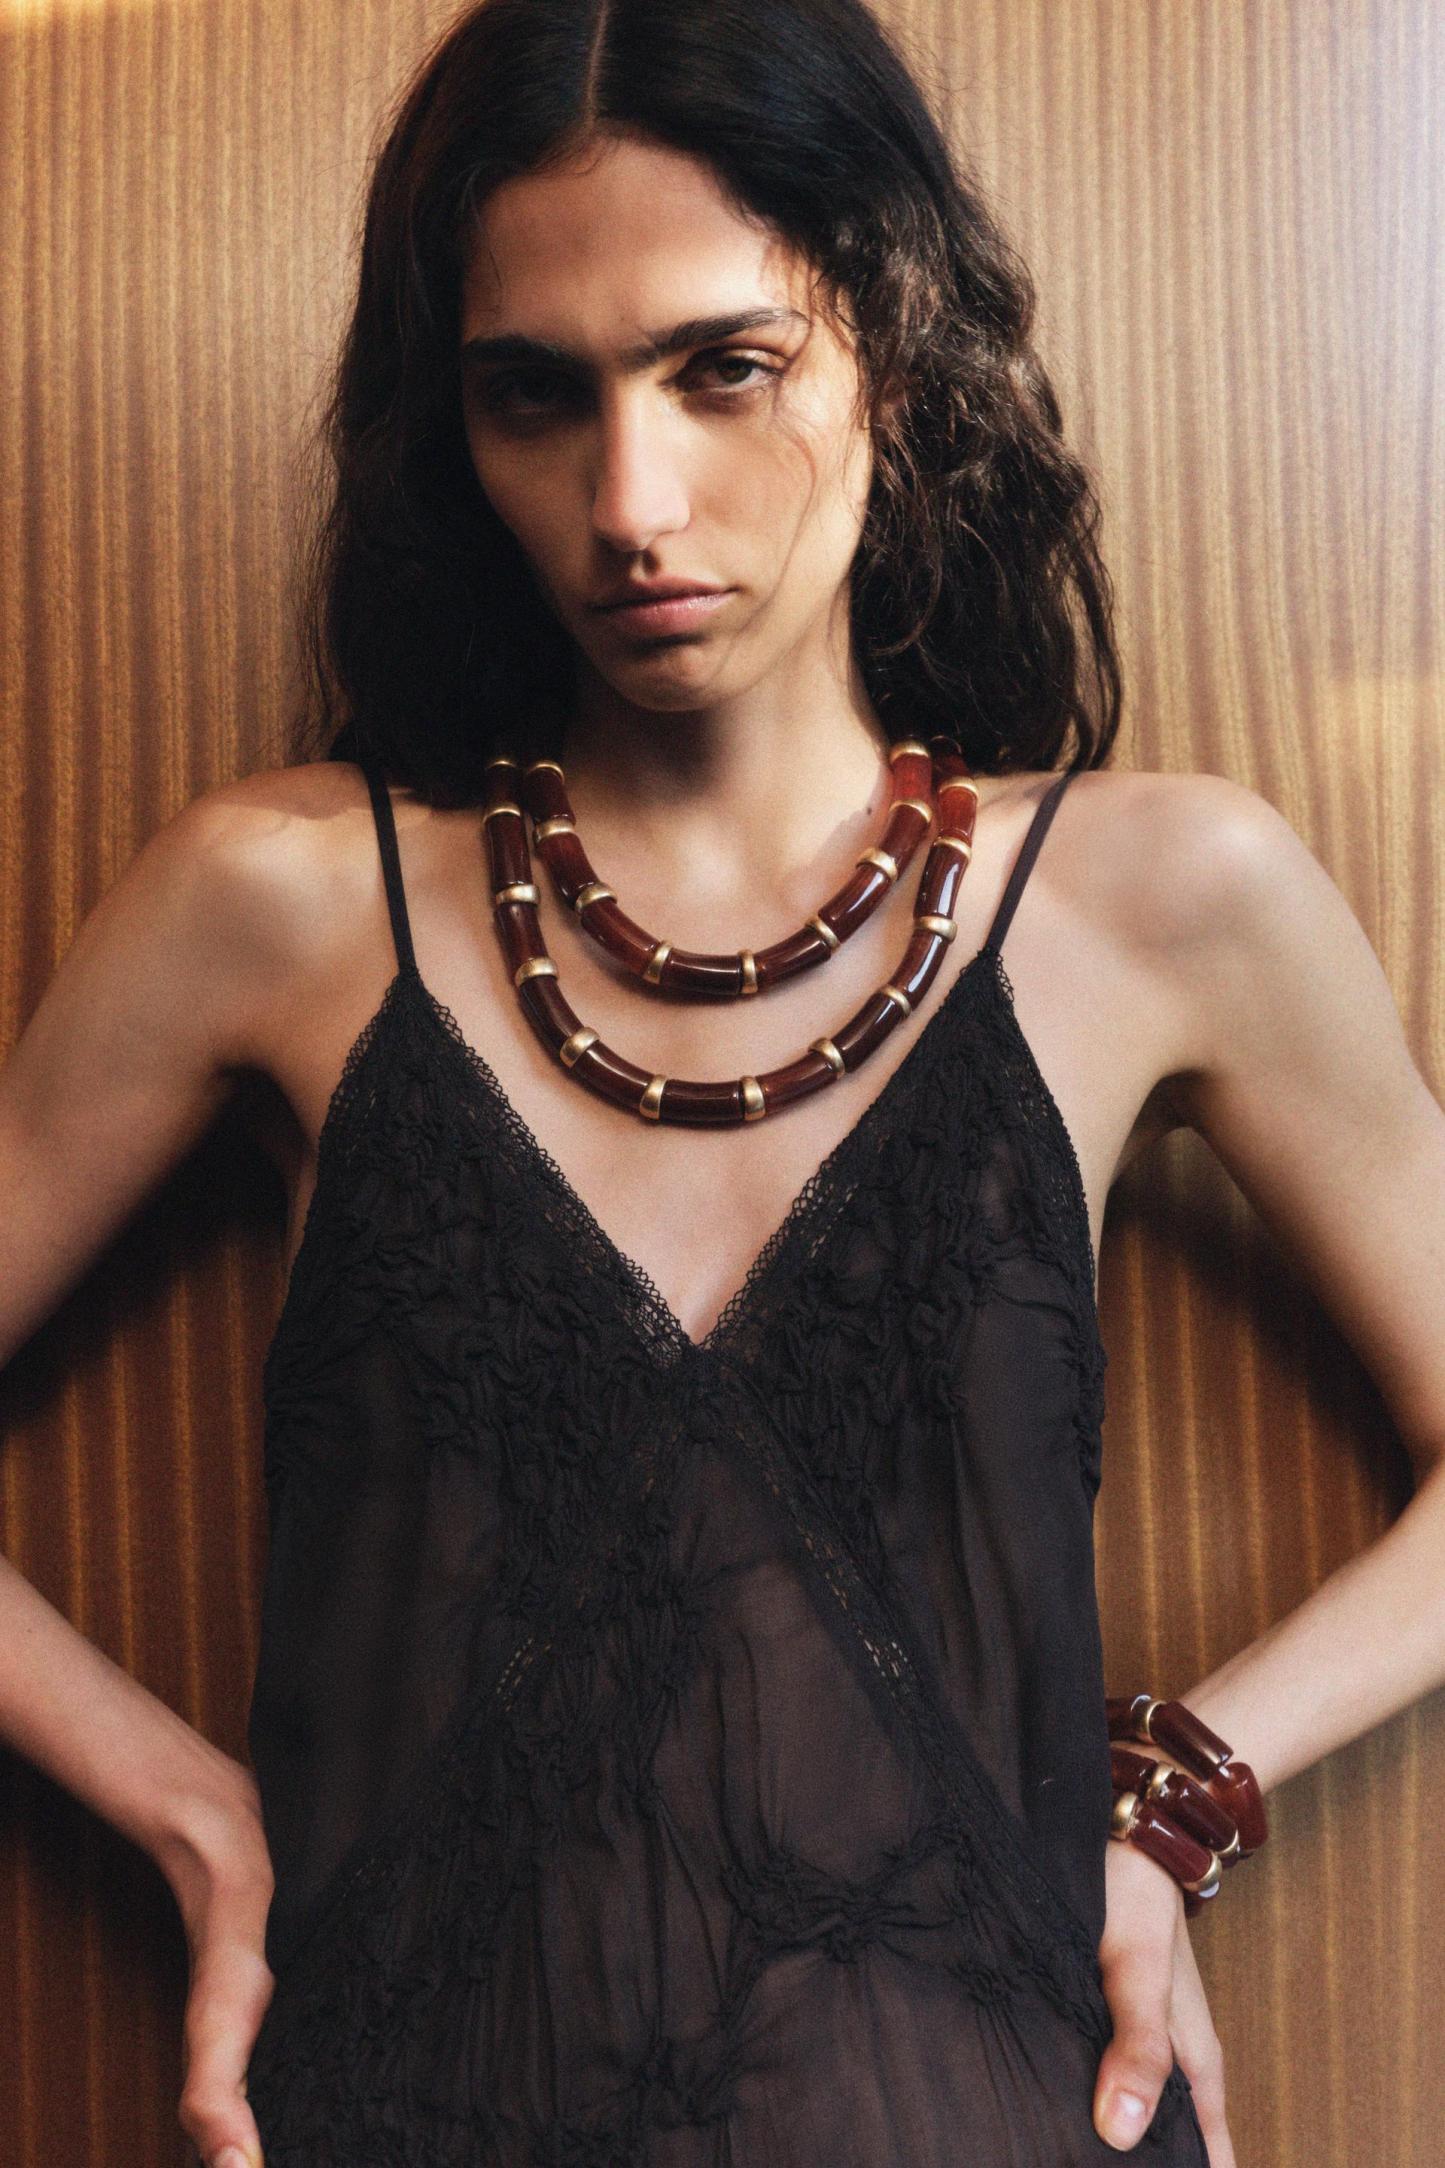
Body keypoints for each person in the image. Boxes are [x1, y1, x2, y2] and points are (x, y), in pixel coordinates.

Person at [3, 1, 1443, 2163]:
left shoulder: (1161, 897)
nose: (630, 504)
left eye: (723, 366)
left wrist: (1178, 1801)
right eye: (535, 393)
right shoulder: (275, 907)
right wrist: (186, 1810)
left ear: (896, 343)